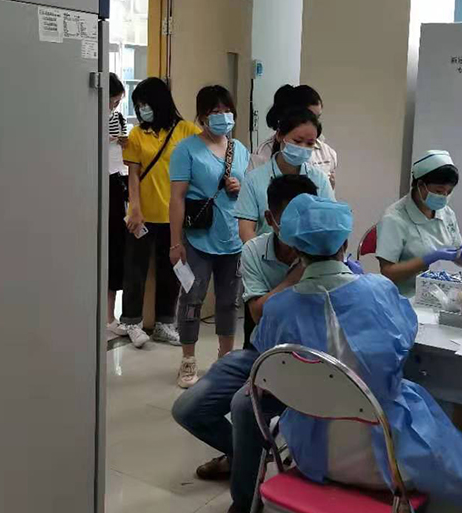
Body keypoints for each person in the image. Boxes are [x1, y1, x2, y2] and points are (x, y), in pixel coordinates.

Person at [252, 193, 462, 513]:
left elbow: (268, 365)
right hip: (388, 464)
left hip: (310, 454)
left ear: (293, 248)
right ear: (346, 243)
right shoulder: (378, 290)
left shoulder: (278, 309)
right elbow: (406, 334)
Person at [171, 174, 319, 513]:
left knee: (243, 405)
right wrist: (295, 278)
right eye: (291, 217)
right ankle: (243, 456)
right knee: (188, 409)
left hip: (307, 358)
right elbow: (256, 311)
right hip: (260, 349)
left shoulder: (325, 248)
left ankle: (245, 506)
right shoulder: (254, 251)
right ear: (271, 219)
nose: (301, 227)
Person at [169, 86, 250, 389]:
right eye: (215, 111)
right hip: (198, 238)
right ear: (202, 116)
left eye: (227, 110)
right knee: (192, 299)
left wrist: (239, 188)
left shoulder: (239, 149)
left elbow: (249, 194)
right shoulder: (186, 149)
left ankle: (225, 359)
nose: (222, 116)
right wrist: (175, 242)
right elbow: (177, 198)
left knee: (229, 302)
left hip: (233, 237)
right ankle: (188, 360)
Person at [121, 77, 199, 348]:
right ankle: (132, 322)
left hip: (174, 216)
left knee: (171, 270)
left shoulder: (186, 130)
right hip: (142, 215)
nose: (143, 109)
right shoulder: (136, 134)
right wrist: (135, 209)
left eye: (146, 104)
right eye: (139, 105)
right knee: (135, 269)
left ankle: (165, 323)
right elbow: (133, 175)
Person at [376, 149, 462, 297]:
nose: (444, 197)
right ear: (420, 185)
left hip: (442, 295)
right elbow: (387, 272)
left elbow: (458, 259)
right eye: (439, 191)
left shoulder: (447, 213)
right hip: (406, 297)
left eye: (449, 192)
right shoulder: (394, 218)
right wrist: (426, 260)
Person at [235, 105, 334, 244]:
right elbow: (246, 230)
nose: (303, 147)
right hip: (265, 255)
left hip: (309, 255)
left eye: (310, 143)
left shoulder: (319, 179)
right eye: (297, 141)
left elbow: (329, 224)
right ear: (280, 135)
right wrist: (259, 254)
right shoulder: (254, 180)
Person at [250, 83, 338, 186]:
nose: (313, 123)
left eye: (316, 118)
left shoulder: (327, 153)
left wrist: (328, 187)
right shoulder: (262, 155)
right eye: (297, 141)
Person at [107, 73, 130, 336]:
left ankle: (109, 315)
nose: (114, 106)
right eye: (112, 100)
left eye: (117, 102)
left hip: (117, 180)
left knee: (115, 248)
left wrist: (123, 142)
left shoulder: (119, 118)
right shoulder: (85, 115)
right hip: (95, 182)